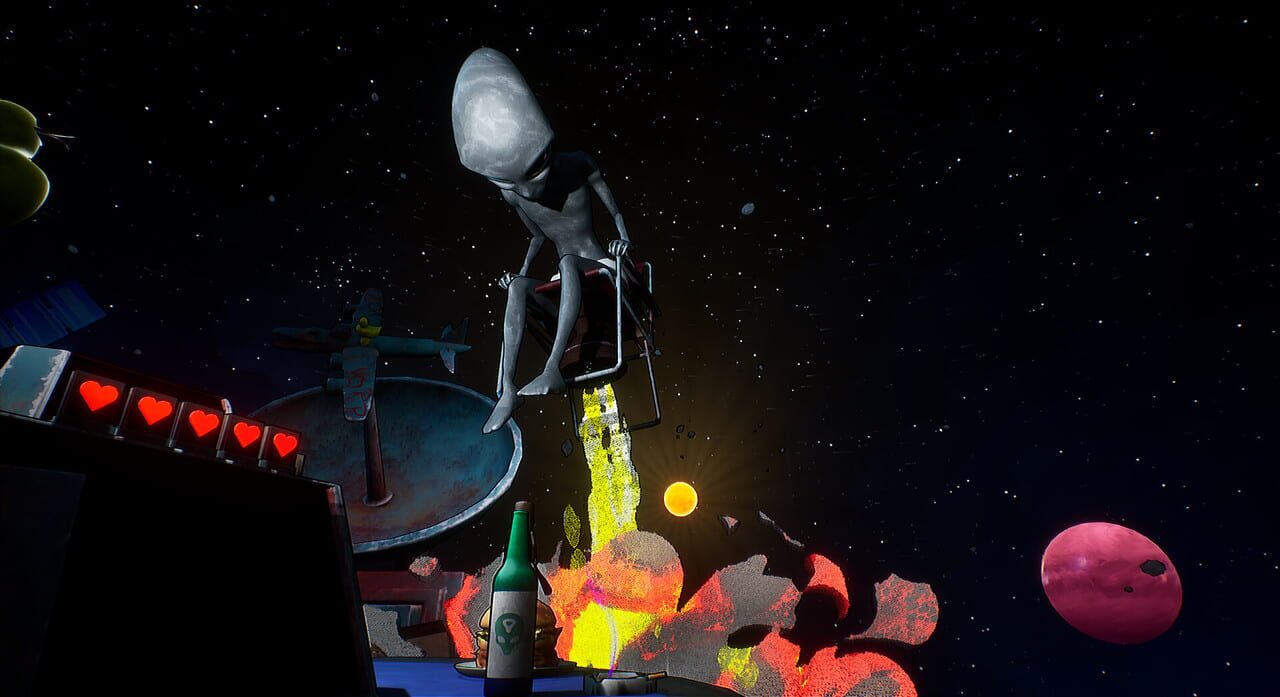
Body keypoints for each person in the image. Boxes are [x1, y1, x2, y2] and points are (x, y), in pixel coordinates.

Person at [451, 48, 634, 434]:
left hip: (599, 267)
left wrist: (623, 240)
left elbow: (615, 211)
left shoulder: (579, 164)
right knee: (519, 288)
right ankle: (507, 390)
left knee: (567, 261)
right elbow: (536, 235)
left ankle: (552, 369)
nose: (525, 191)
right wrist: (518, 273)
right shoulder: (514, 195)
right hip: (565, 281)